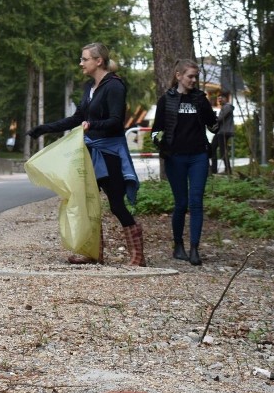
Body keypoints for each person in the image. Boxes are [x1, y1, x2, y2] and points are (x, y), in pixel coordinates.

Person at [28, 43, 144, 266]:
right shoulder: (89, 87)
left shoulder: (114, 86)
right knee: (87, 202)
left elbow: (116, 121)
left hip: (109, 152)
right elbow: (76, 118)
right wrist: (44, 128)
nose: (81, 63)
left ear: (98, 61)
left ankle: (138, 256)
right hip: (90, 151)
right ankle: (93, 253)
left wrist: (91, 124)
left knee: (116, 205)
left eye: (84, 59)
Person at [151, 59, 218, 266]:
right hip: (175, 158)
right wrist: (159, 143)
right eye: (190, 76)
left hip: (198, 156)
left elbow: (212, 126)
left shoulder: (200, 99)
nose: (194, 80)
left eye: (196, 77)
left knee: (196, 202)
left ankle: (195, 249)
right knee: (181, 203)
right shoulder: (166, 100)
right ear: (179, 76)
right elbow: (156, 128)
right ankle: (178, 245)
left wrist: (218, 121)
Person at [211, 92, 234, 174]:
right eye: (218, 99)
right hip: (220, 132)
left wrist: (213, 117)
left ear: (225, 98)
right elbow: (219, 121)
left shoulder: (228, 107)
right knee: (212, 148)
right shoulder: (224, 107)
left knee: (223, 151)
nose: (219, 100)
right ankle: (213, 170)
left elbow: (220, 119)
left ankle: (228, 170)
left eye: (221, 98)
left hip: (224, 132)